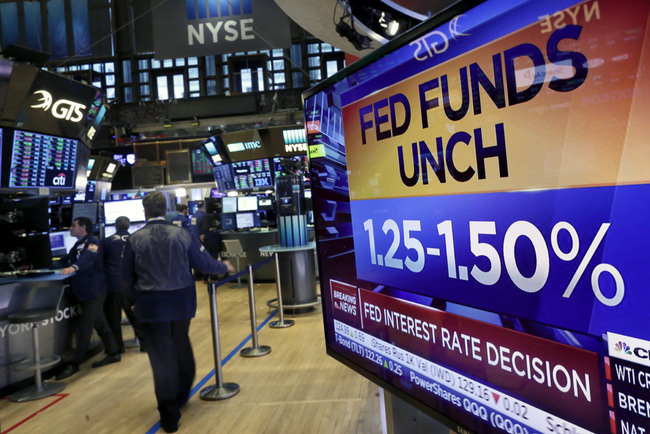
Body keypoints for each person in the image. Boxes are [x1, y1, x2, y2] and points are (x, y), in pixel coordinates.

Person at [121, 192, 234, 433]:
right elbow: (203, 263)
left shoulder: (134, 239)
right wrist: (223, 266)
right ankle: (182, 397)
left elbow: (125, 278)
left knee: (162, 360)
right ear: (166, 210)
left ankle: (169, 416)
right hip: (181, 303)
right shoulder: (183, 235)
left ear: (145, 212)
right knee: (182, 346)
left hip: (150, 305)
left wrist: (132, 303)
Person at [57, 217, 121, 380]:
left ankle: (75, 363)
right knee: (100, 324)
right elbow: (66, 260)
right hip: (84, 292)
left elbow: (87, 259)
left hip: (94, 292)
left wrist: (74, 267)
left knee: (84, 328)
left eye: (73, 225)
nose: (70, 228)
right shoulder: (78, 245)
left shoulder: (93, 243)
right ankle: (113, 352)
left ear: (83, 227)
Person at [102, 216, 144, 353]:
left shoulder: (106, 242)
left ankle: (118, 348)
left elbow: (101, 263)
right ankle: (146, 344)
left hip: (113, 285)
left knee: (114, 319)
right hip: (131, 285)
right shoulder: (136, 240)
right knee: (135, 316)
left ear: (115, 226)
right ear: (129, 225)